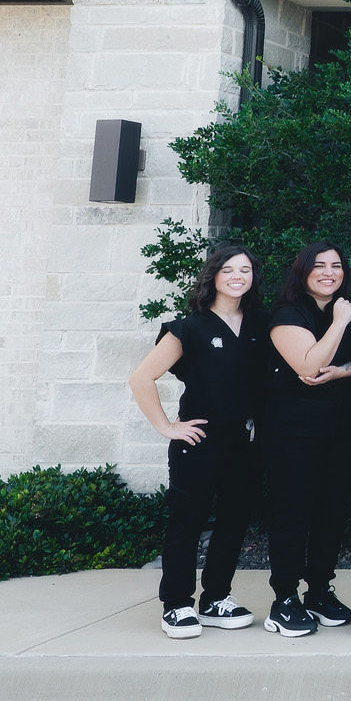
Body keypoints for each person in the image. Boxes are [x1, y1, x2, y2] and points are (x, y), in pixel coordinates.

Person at [130, 241, 263, 639]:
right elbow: (141, 378)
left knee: (234, 523)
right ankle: (177, 604)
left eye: (245, 271)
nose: (238, 277)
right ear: (213, 276)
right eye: (229, 270)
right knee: (187, 524)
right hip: (199, 441)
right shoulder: (189, 327)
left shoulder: (260, 325)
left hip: (245, 443)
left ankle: (215, 599)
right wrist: (168, 426)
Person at [259, 241, 351, 635]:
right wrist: (339, 323)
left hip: (342, 423)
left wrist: (345, 371)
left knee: (333, 508)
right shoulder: (288, 314)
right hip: (294, 427)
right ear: (304, 271)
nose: (330, 273)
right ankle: (284, 599)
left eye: (337, 266)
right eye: (320, 266)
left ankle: (319, 590)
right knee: (294, 511)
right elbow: (309, 365)